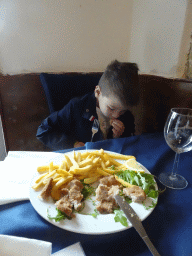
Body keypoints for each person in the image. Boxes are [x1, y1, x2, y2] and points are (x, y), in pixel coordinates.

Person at [36, 60, 139, 150]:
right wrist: (73, 144)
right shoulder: (76, 107)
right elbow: (43, 131)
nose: (117, 115)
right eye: (111, 108)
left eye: (122, 111)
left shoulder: (126, 115)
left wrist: (119, 136)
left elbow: (129, 143)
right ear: (98, 92)